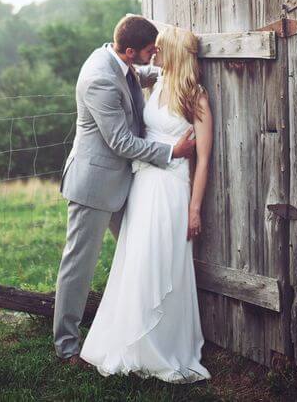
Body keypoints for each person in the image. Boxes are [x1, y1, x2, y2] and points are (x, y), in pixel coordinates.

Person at [53, 15, 197, 364]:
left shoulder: (120, 60)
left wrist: (177, 66)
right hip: (95, 185)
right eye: (150, 51)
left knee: (137, 257)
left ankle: (137, 333)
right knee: (79, 266)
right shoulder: (99, 78)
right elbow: (120, 141)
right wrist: (171, 152)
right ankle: (66, 346)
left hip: (124, 184)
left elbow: (146, 74)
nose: (153, 56)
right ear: (131, 50)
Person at [80, 24, 213, 383]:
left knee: (162, 262)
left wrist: (195, 208)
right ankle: (130, 339)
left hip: (172, 188)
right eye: (152, 49)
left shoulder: (195, 97)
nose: (154, 53)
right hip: (144, 184)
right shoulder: (153, 83)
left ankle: (162, 342)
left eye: (160, 49)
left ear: (172, 52)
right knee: (136, 259)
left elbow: (203, 159)